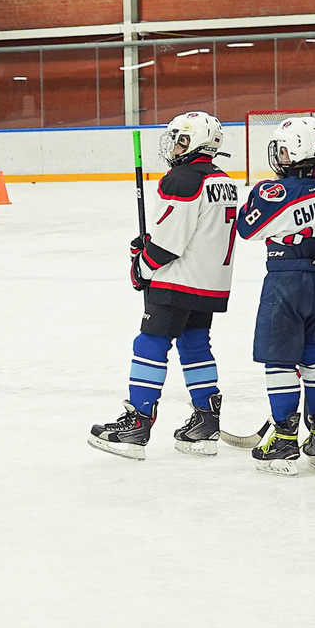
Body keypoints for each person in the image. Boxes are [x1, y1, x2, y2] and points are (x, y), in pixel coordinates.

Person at [89, 111, 242, 458]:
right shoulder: (224, 180)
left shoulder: (181, 179)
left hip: (178, 281)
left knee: (150, 343)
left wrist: (142, 265)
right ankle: (205, 423)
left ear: (195, 142)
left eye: (180, 139)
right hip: (210, 283)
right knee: (195, 344)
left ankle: (138, 423)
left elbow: (170, 244)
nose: (174, 146)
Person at [234, 116, 315, 474]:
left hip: (287, 280)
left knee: (279, 359)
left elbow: (248, 228)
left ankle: (284, 440)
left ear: (292, 151)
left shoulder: (271, 191)